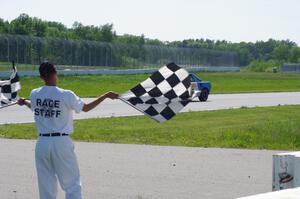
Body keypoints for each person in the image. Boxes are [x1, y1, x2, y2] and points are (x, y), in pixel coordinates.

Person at [18, 62, 118, 199]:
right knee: (72, 184)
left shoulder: (34, 94)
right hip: (61, 142)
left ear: (41, 77)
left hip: (42, 143)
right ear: (55, 74)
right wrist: (105, 95)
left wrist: (25, 102)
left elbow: (36, 107)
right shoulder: (66, 95)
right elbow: (86, 107)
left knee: (46, 184)